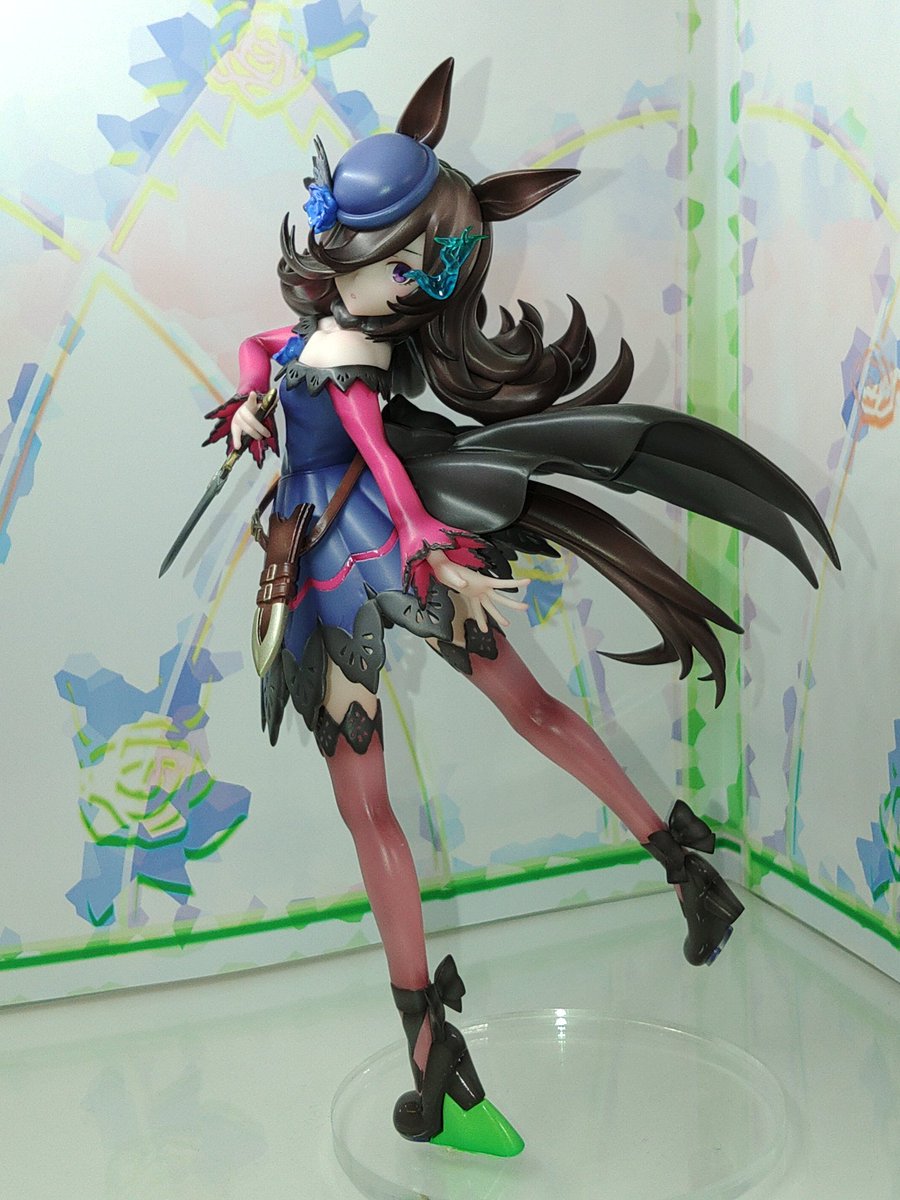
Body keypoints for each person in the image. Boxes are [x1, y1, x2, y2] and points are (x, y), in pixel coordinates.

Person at [202, 60, 839, 1156]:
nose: (399, 284)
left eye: (418, 271)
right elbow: (268, 352)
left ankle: (432, 1056)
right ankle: (685, 869)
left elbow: (377, 458)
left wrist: (423, 541)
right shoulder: (322, 341)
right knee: (515, 718)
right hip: (343, 554)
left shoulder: (353, 363)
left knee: (378, 807)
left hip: (351, 567)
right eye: (391, 258)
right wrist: (249, 401)